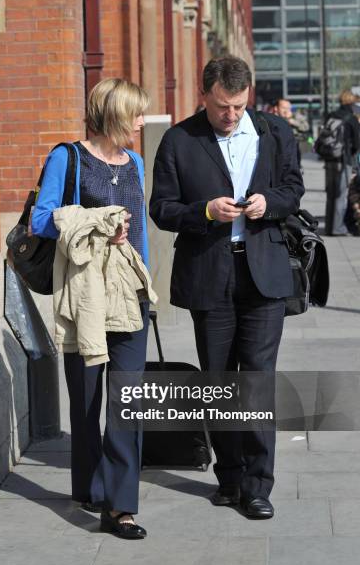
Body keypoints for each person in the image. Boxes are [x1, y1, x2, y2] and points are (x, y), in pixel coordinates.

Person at [150, 55, 304, 519]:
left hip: (264, 274)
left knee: (255, 380)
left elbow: (293, 188)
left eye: (238, 106)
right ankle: (230, 477)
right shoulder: (180, 139)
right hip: (208, 274)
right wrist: (205, 212)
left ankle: (258, 485)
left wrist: (268, 203)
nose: (231, 115)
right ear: (205, 96)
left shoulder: (276, 133)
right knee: (219, 379)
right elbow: (161, 207)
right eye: (222, 107)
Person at [31, 78, 151, 539]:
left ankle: (121, 507)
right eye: (136, 114)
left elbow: (138, 232)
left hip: (129, 298)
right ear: (115, 114)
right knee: (85, 402)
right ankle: (89, 485)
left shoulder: (136, 161)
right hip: (85, 297)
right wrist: (97, 223)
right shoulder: (69, 157)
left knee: (128, 402)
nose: (142, 122)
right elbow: (42, 219)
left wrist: (146, 289)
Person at [324, 90, 360, 236]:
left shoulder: (332, 115)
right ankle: (337, 228)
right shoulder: (351, 118)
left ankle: (329, 227)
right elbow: (357, 143)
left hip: (329, 159)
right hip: (344, 160)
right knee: (340, 195)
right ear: (352, 102)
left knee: (331, 195)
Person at [272, 98, 309, 168]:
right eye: (283, 108)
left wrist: (292, 121)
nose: (286, 110)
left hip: (293, 148)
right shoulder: (271, 118)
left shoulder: (296, 117)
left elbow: (306, 127)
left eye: (288, 108)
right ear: (276, 108)